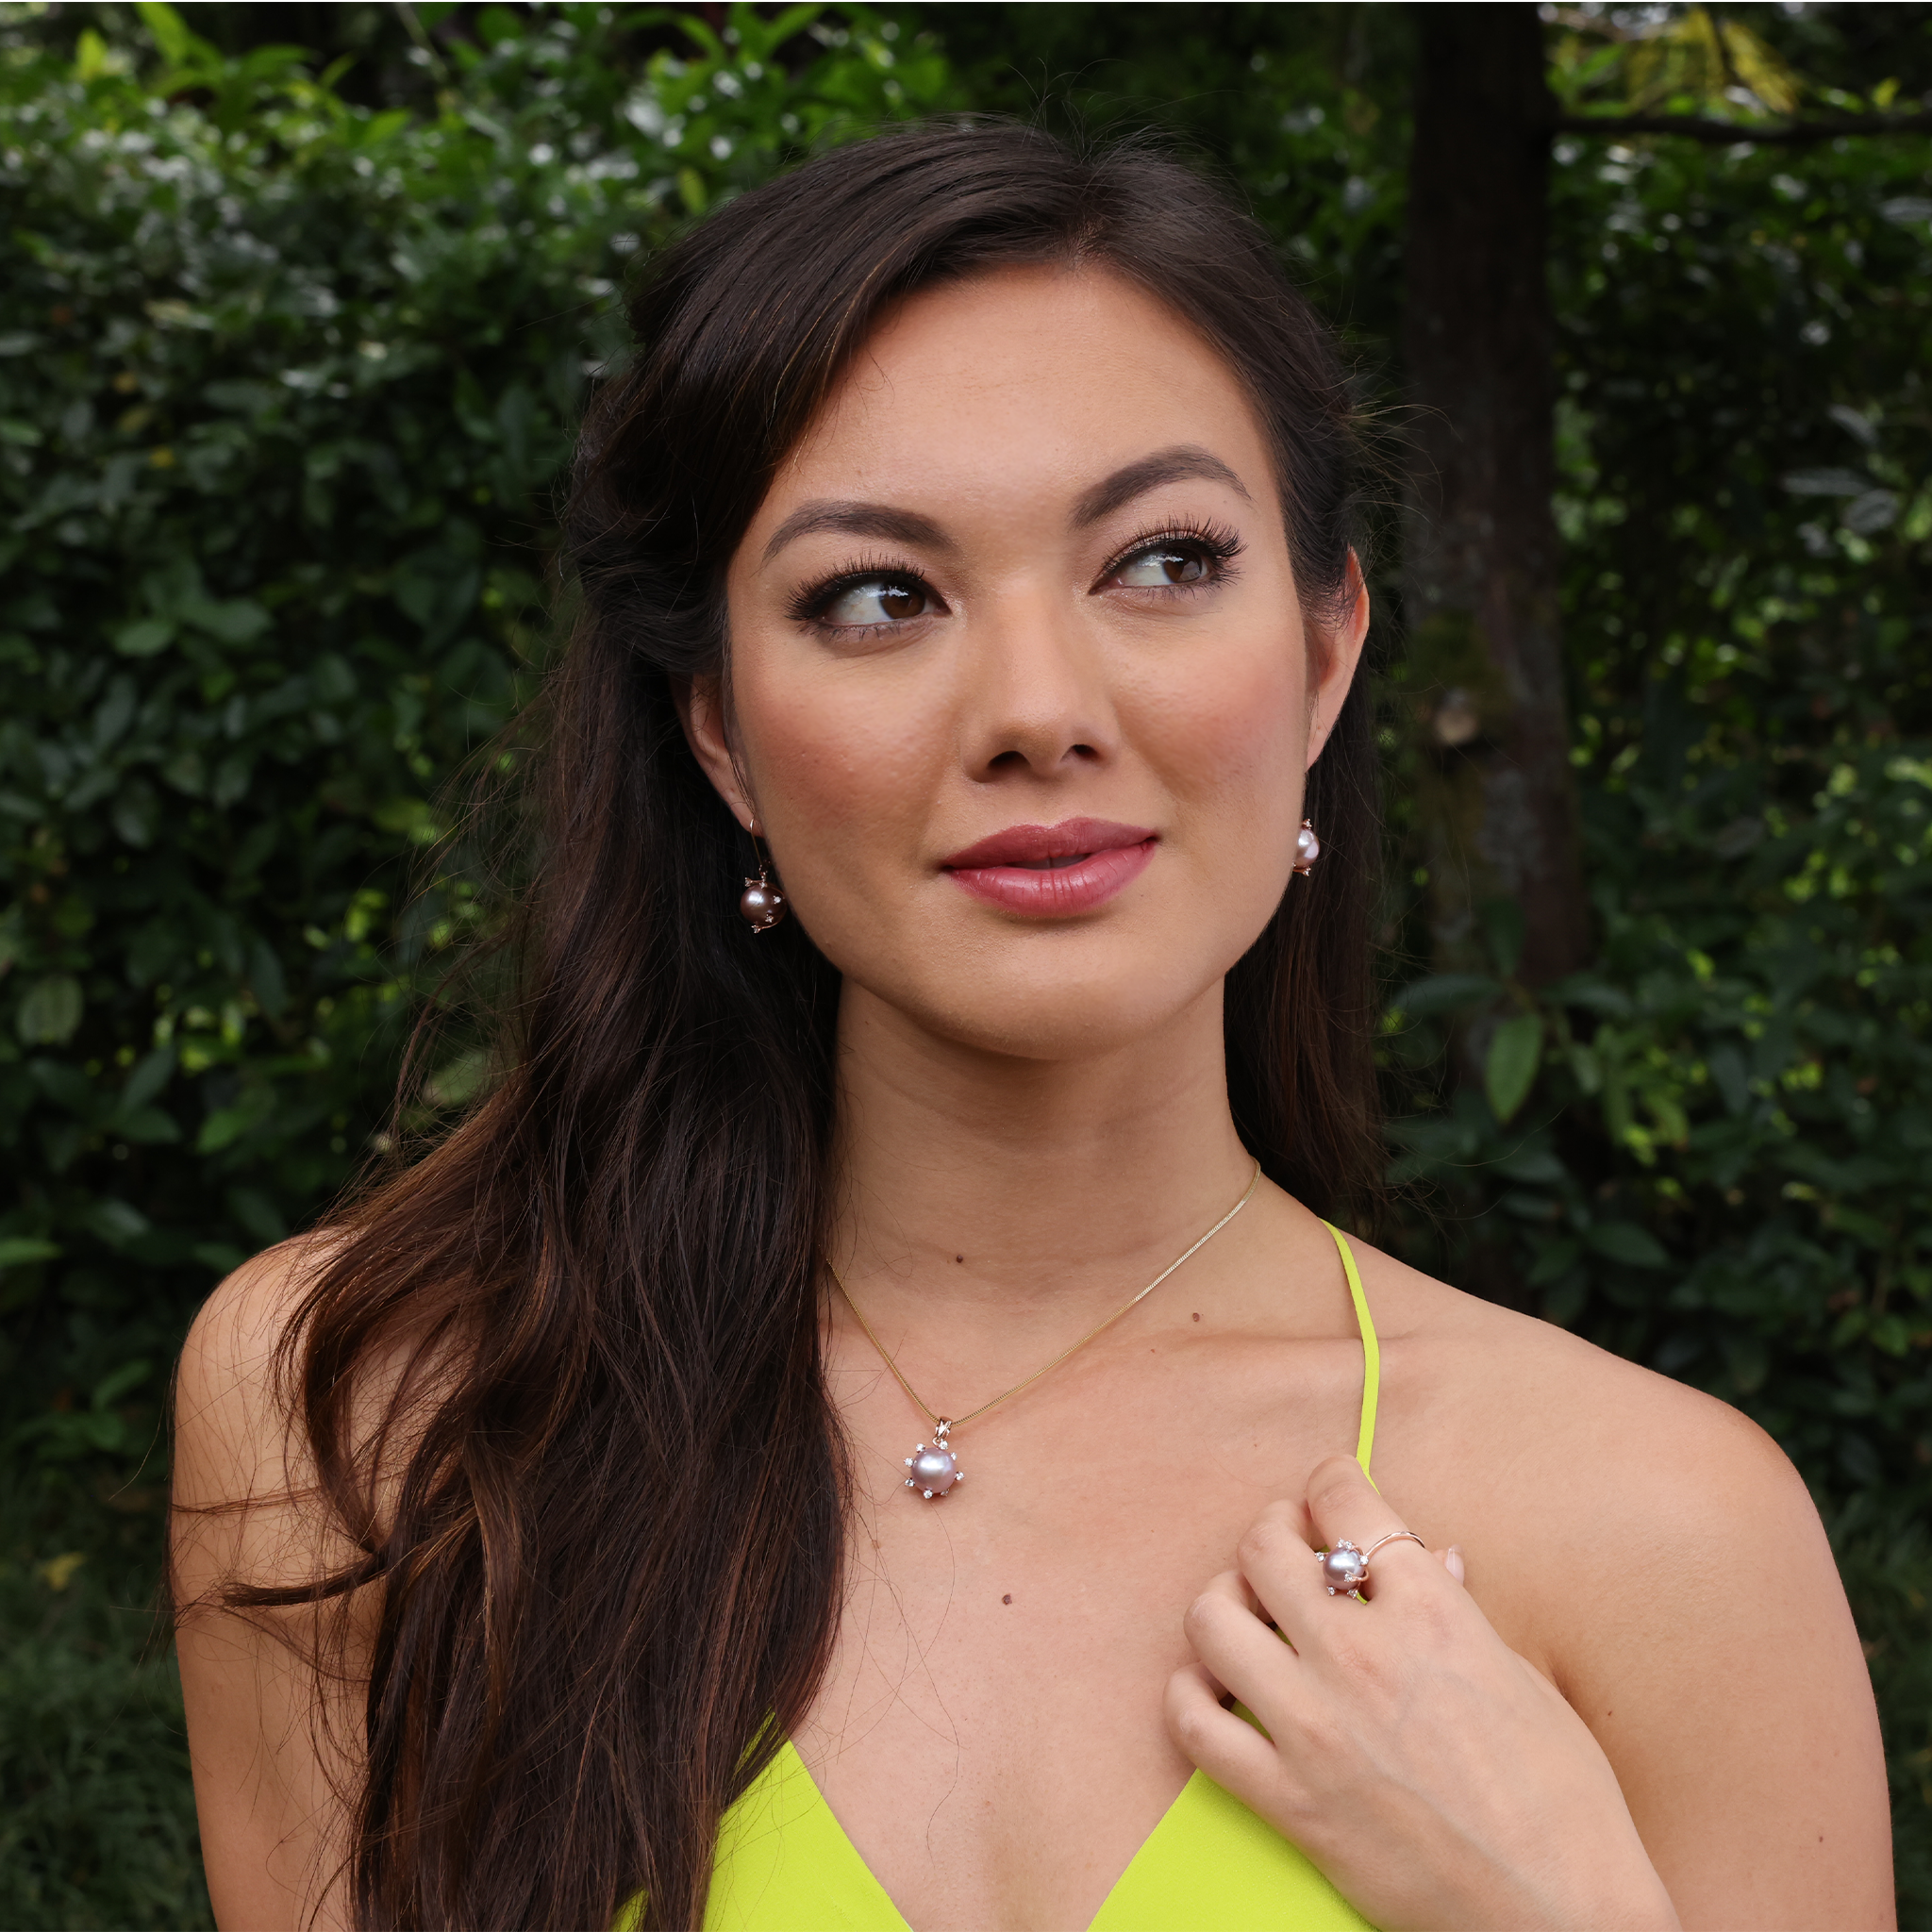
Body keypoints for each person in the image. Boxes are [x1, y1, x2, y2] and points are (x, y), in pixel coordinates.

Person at [172, 124, 1893, 1932]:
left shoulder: (1666, 1533)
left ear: (1326, 656)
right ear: (721, 734)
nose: (1037, 710)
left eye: (1160, 561)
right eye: (880, 596)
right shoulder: (370, 1419)